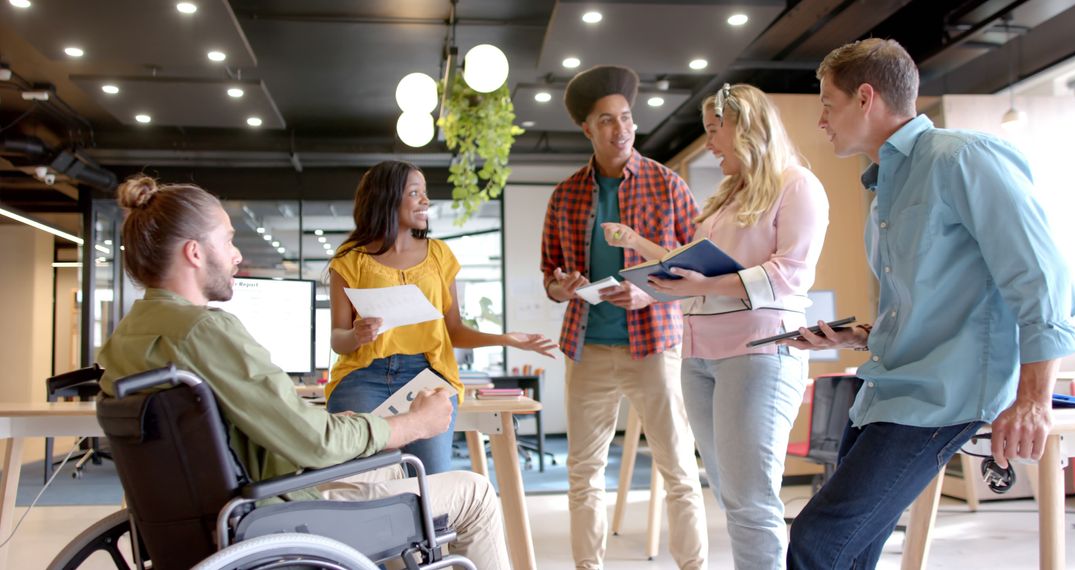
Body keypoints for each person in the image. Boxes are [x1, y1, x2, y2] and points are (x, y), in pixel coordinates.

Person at [97, 175, 512, 569]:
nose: (237, 254)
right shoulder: (204, 330)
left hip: (222, 511)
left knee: (394, 466)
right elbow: (315, 442)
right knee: (474, 492)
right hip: (275, 514)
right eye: (228, 240)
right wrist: (415, 423)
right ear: (194, 252)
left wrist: (332, 426)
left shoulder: (126, 338)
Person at [784, 38, 1075, 569]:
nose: (822, 120)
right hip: (890, 388)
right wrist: (863, 335)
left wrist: (1033, 399)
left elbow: (1041, 276)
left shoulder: (962, 157)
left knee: (818, 539)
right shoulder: (886, 187)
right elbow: (935, 304)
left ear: (866, 98)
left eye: (828, 104)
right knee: (851, 550)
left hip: (945, 396)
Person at [603, 83, 829, 569]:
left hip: (759, 351)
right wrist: (641, 249)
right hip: (700, 355)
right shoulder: (727, 196)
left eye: (713, 130)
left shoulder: (797, 185)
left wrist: (703, 284)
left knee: (750, 497)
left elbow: (790, 273)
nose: (709, 143)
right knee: (730, 492)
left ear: (745, 127)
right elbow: (693, 269)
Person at [541, 64, 708, 569]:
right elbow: (549, 273)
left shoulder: (667, 185)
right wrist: (561, 287)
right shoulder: (566, 195)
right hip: (587, 348)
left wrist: (649, 294)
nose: (621, 129)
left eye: (627, 117)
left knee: (679, 469)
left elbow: (697, 267)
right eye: (607, 120)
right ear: (586, 129)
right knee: (583, 473)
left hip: (654, 346)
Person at [326, 160, 556, 474]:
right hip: (364, 376)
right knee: (364, 483)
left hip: (428, 376)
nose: (425, 200)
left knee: (432, 480)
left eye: (424, 192)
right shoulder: (349, 260)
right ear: (386, 197)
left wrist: (504, 339)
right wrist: (356, 335)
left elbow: (454, 330)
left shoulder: (439, 255)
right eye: (414, 192)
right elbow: (338, 340)